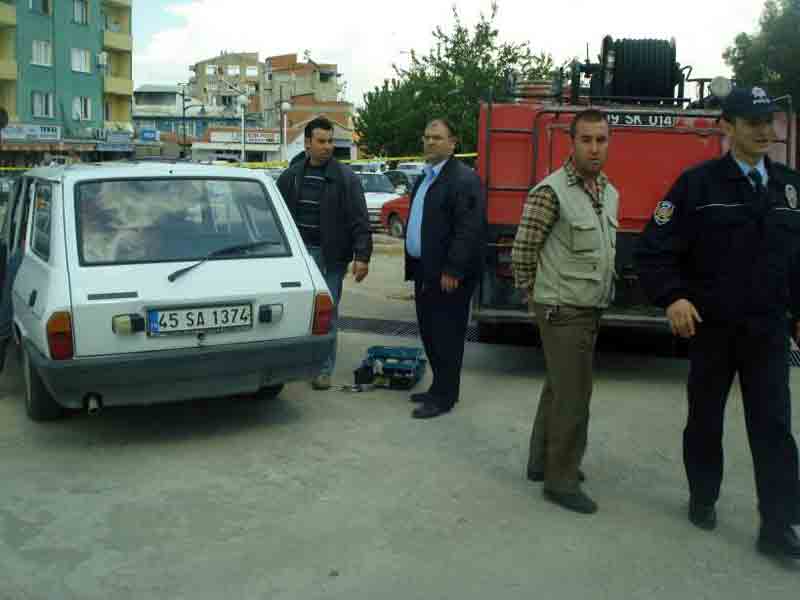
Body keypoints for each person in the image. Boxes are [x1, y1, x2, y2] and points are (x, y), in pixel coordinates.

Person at [635, 87, 800, 558]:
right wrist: (674, 298)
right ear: (726, 126)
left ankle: (778, 525)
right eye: (753, 123)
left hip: (768, 330)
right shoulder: (697, 185)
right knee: (705, 421)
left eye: (769, 122)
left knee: (774, 426)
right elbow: (654, 250)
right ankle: (703, 496)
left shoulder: (790, 187)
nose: (766, 131)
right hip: (712, 328)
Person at [511, 109, 617, 514]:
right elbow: (523, 249)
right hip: (561, 308)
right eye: (586, 139)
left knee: (559, 387)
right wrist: (532, 294)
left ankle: (543, 463)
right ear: (571, 143)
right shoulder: (550, 191)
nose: (594, 147)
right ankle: (561, 480)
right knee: (575, 395)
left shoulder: (608, 192)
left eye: (601, 140)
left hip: (589, 304)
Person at [277, 117, 372, 390]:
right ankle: (294, 365)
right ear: (307, 143)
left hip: (330, 257)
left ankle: (323, 369)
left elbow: (360, 220)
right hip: (298, 259)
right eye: (321, 141)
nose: (328, 146)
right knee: (295, 311)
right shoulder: (291, 176)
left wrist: (362, 256)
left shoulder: (346, 178)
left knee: (327, 315)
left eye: (330, 141)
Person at [404, 118, 486, 419]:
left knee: (447, 336)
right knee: (429, 332)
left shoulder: (463, 179)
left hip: (448, 275)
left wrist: (453, 269)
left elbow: (469, 229)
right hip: (426, 271)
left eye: (437, 138)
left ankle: (445, 397)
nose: (429, 142)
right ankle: (439, 386)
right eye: (426, 137)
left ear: (453, 143)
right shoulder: (426, 177)